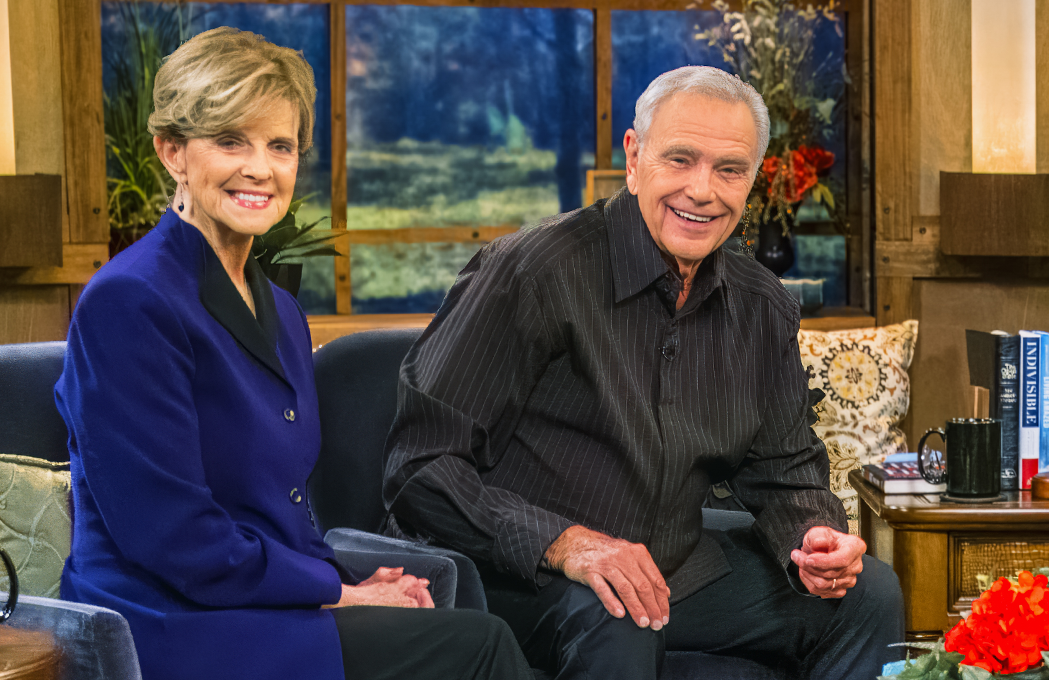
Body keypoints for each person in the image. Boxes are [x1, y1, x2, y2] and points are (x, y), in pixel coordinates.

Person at [382, 65, 904, 680]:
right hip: (514, 576)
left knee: (867, 594)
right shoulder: (533, 271)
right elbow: (418, 467)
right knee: (620, 609)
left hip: (668, 570)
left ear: (752, 183)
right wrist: (567, 544)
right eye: (679, 159)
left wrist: (816, 539)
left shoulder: (762, 305)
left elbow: (784, 470)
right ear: (634, 158)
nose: (702, 190)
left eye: (729, 170)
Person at [56, 27, 532, 680]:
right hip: (163, 621)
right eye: (231, 141)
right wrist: (341, 593)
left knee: (458, 621)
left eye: (280, 146)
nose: (260, 168)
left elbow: (279, 507)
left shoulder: (280, 311)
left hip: (249, 605)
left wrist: (347, 575)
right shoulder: (130, 301)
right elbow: (172, 535)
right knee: (479, 648)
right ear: (172, 152)